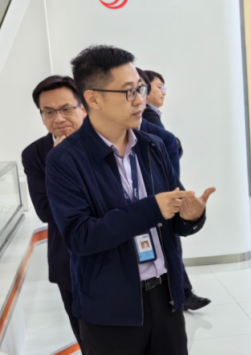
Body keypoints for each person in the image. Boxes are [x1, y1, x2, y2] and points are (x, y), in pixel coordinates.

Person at [45, 45, 215, 355]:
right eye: (128, 92)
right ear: (93, 98)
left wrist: (191, 216)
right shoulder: (65, 160)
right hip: (110, 309)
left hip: (166, 297)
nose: (140, 100)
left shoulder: (153, 145)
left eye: (141, 88)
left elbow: (173, 217)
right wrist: (151, 209)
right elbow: (80, 236)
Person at [136, 68, 210, 312]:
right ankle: (182, 292)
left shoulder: (152, 125)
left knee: (169, 242)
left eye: (140, 90)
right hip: (161, 198)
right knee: (169, 243)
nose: (163, 92)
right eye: (159, 87)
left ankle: (181, 292)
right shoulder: (149, 118)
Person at [22, 75, 87, 352]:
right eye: (48, 112)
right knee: (85, 335)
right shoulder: (36, 154)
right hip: (69, 259)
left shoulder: (106, 142)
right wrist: (59, 165)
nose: (58, 118)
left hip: (118, 258)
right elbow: (47, 210)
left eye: (66, 109)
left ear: (84, 107)